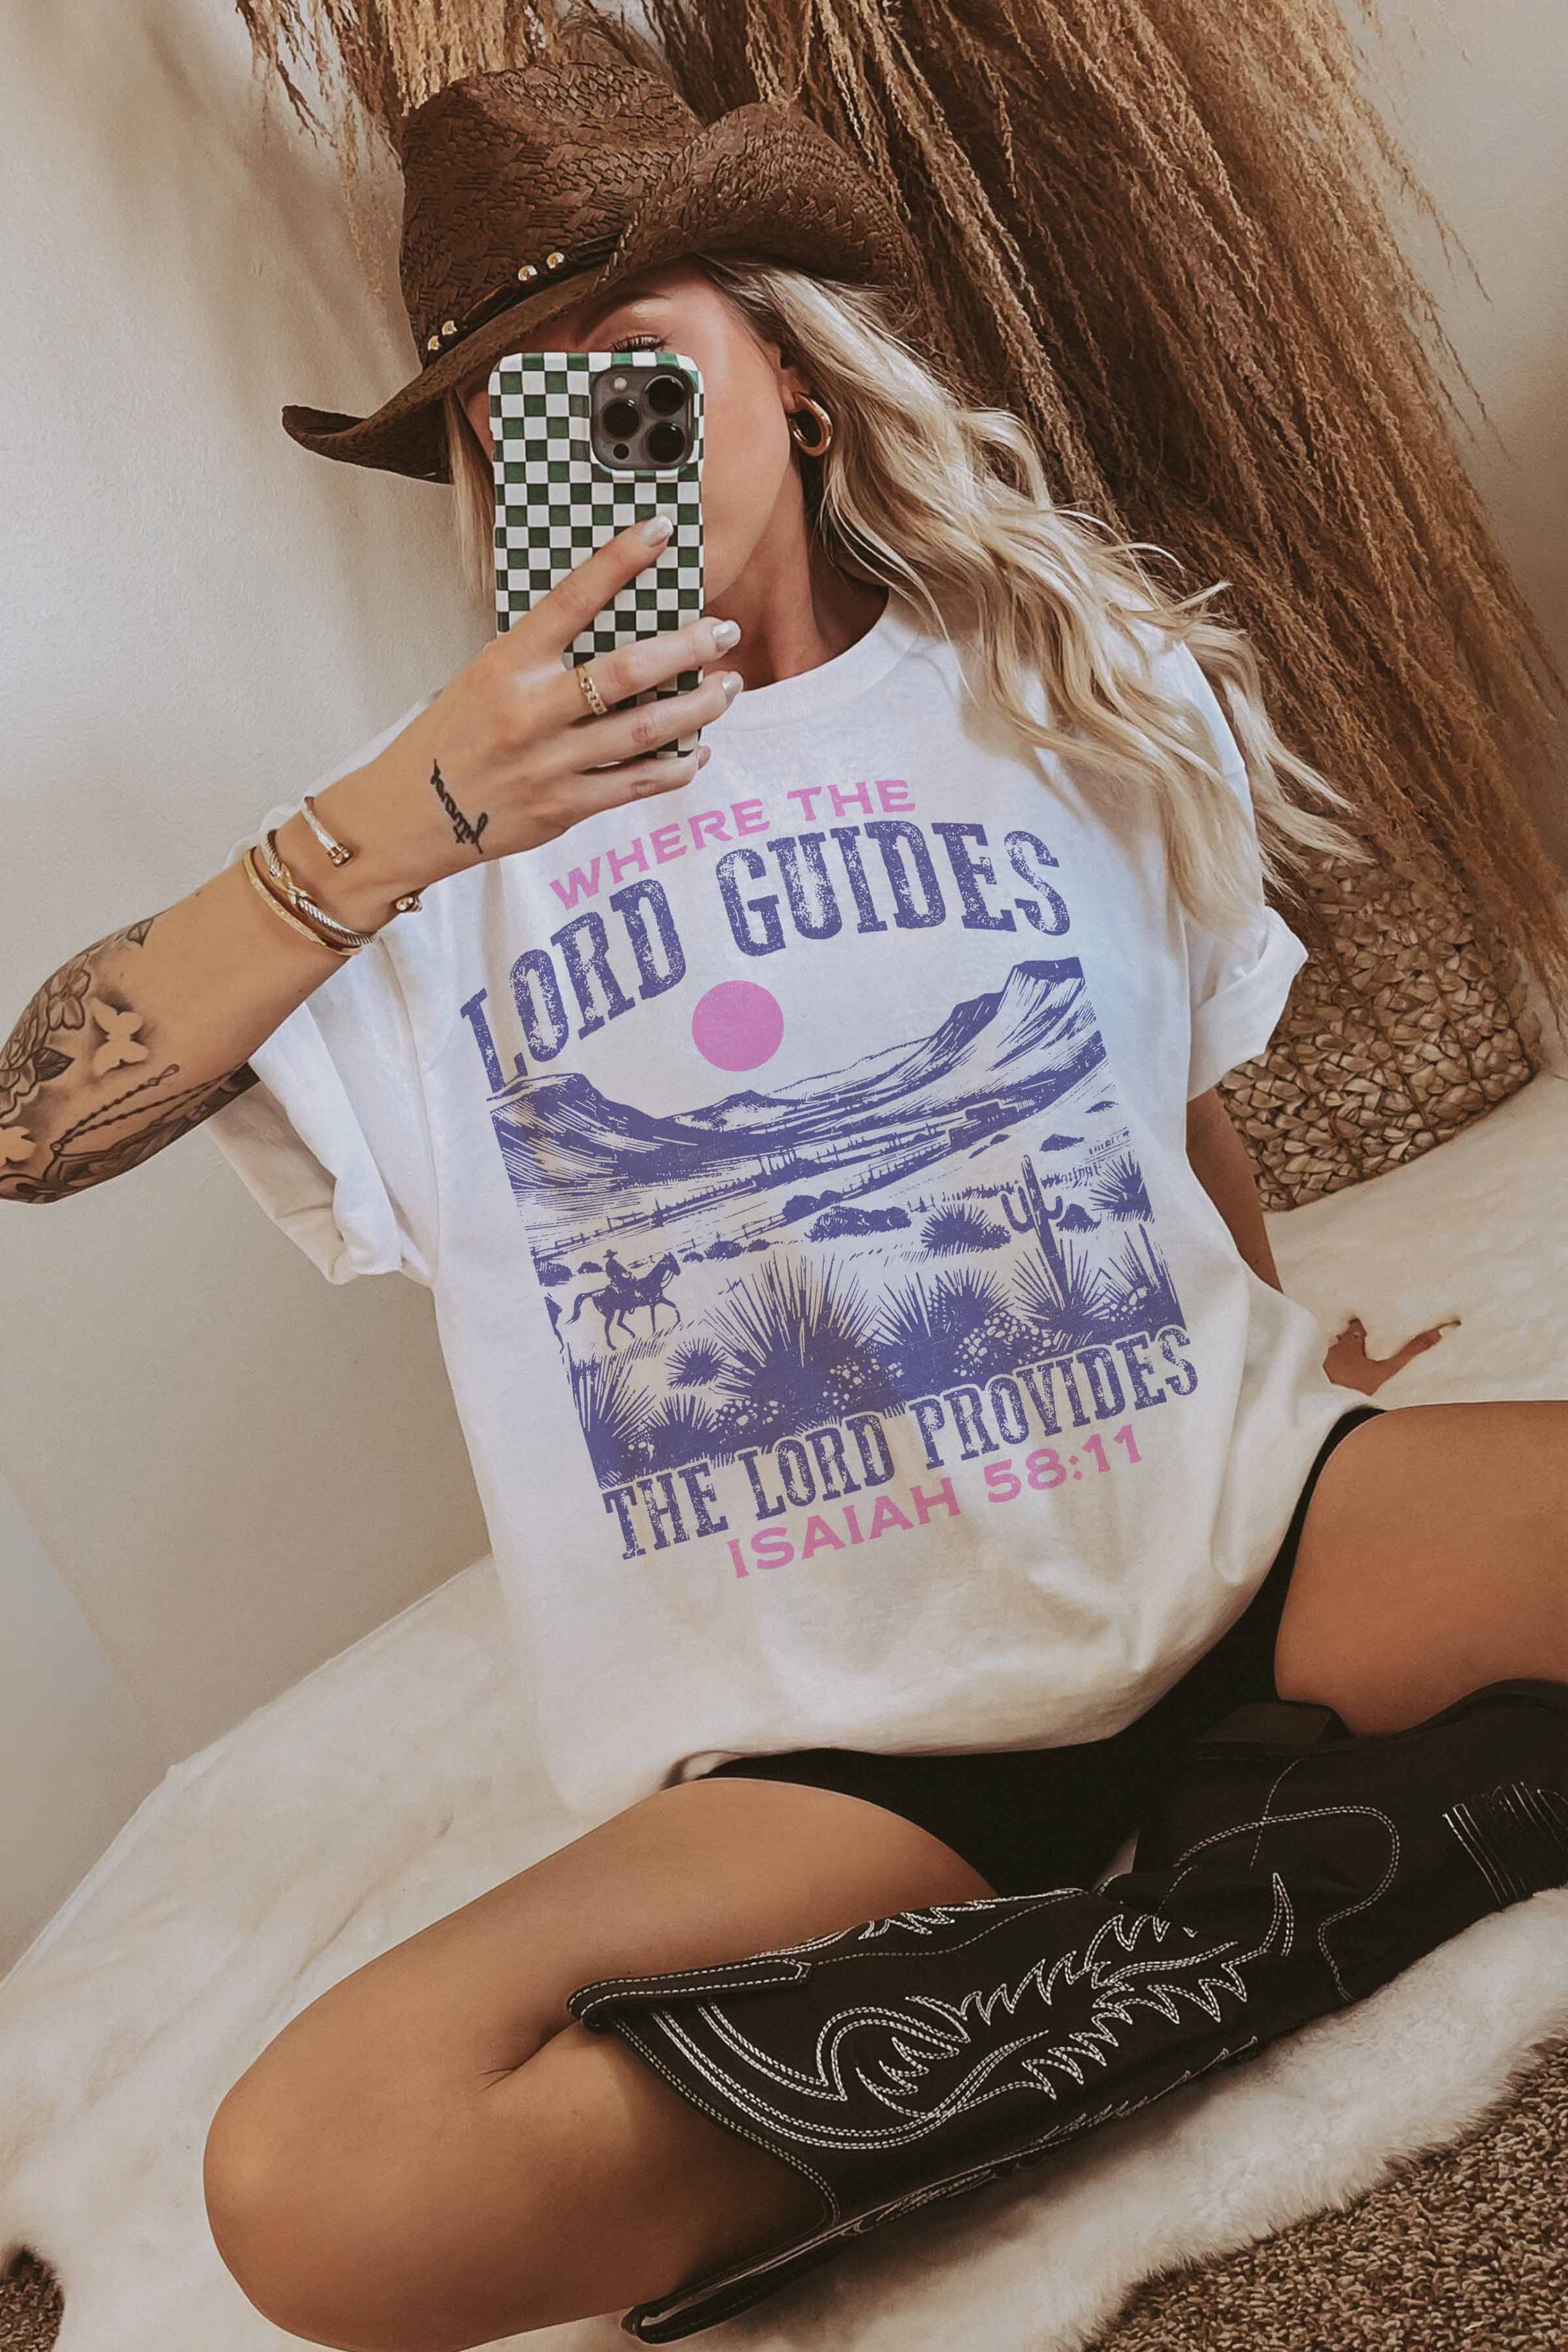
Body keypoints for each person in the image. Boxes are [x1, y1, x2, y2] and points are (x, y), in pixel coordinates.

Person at [6, 42, 1566, 2352]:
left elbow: (1167, 1105)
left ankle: (1096, 1967)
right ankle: (1269, 1873)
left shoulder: (1082, 680)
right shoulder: (419, 856)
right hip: (849, 1767)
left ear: (802, 380)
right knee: (322, 2186)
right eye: (514, 402)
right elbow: (31, 1124)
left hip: (1249, 1549)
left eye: (630, 361)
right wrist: (419, 810)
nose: (584, 431)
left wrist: (1272, 1341)